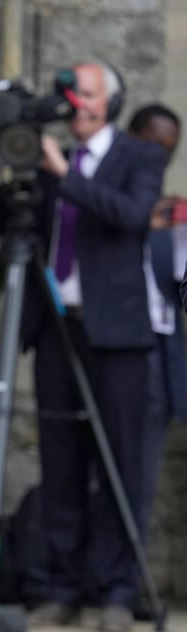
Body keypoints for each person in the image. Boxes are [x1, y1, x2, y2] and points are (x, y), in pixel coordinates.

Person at [0, 61, 167, 632]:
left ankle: (115, 591)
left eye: (87, 92)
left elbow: (129, 217)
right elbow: (6, 223)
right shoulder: (48, 155)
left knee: (119, 463)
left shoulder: (139, 157)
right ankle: (57, 585)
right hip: (57, 325)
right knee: (61, 461)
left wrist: (65, 173)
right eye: (71, 92)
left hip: (119, 332)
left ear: (110, 102)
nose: (75, 101)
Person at [127, 104, 187, 577]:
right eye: (152, 146)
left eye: (169, 151)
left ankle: (127, 586)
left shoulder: (172, 220)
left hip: (159, 357)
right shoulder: (116, 205)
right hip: (111, 346)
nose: (159, 159)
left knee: (142, 480)